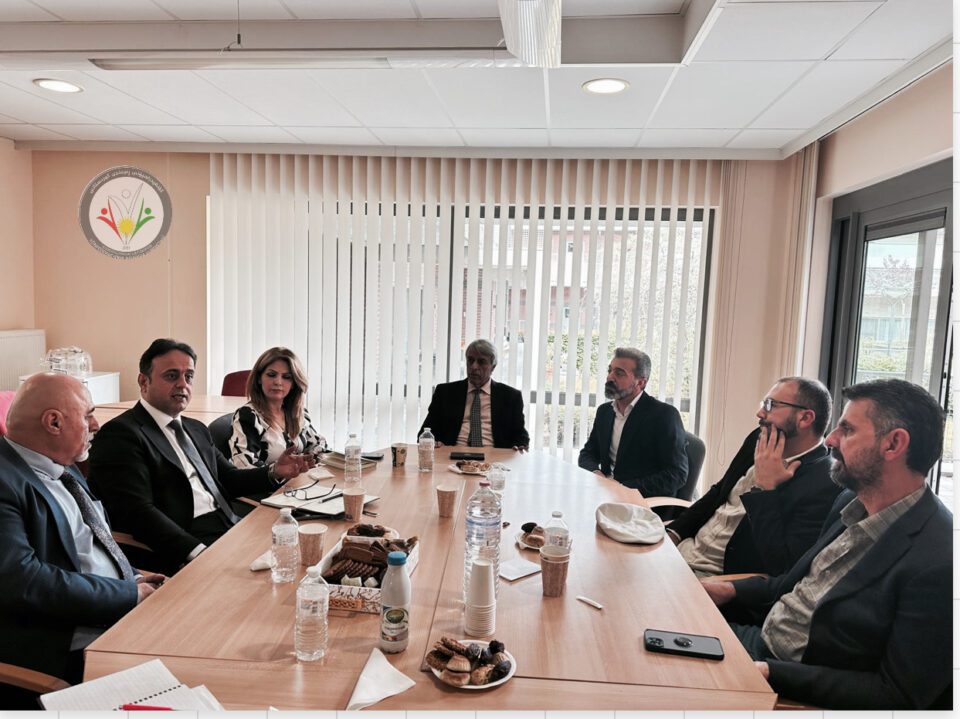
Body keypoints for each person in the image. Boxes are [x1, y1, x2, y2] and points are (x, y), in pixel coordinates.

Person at [702, 379, 951, 709]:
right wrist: (724, 590)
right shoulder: (850, 502)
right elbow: (791, 583)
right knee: (654, 632)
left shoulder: (940, 561)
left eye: (847, 430)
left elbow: (897, 695)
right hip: (759, 639)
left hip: (786, 680)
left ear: (893, 444)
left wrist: (768, 672)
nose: (830, 439)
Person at [88, 339, 314, 573]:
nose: (182, 384)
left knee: (305, 558)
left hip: (229, 525)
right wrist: (198, 553)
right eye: (171, 376)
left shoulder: (195, 428)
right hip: (185, 542)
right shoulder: (120, 435)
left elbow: (229, 479)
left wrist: (275, 471)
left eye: (189, 376)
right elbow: (138, 513)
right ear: (144, 382)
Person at [0, 374, 164, 693]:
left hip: (115, 608)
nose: (96, 424)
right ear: (54, 422)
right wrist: (128, 595)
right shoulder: (6, 482)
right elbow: (23, 581)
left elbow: (94, 543)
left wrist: (132, 579)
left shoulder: (64, 466)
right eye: (88, 414)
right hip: (64, 646)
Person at [667, 377, 840, 577]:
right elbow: (720, 491)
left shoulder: (825, 481)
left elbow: (781, 566)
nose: (760, 413)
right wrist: (674, 532)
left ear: (805, 418)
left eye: (771, 405)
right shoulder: (759, 438)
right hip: (686, 550)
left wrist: (766, 490)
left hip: (717, 577)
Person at [578, 347, 687, 497]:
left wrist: (622, 488)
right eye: (610, 371)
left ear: (640, 382)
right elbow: (588, 453)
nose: (610, 377)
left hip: (641, 500)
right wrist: (596, 473)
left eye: (619, 373)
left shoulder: (664, 415)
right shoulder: (605, 412)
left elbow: (677, 474)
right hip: (605, 493)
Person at [419, 339, 529, 450]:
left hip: (494, 457)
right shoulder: (445, 393)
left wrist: (519, 445)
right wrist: (434, 442)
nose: (474, 366)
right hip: (452, 454)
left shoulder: (510, 397)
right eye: (470, 360)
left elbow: (521, 436)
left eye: (481, 362)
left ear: (493, 367)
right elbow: (425, 432)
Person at [229, 347, 328, 470]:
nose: (278, 382)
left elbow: (319, 445)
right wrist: (277, 471)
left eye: (286, 377)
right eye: (271, 375)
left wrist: (306, 461)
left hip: (300, 480)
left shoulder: (298, 412)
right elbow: (244, 465)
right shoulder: (248, 416)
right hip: (268, 483)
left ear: (294, 383)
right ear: (259, 378)